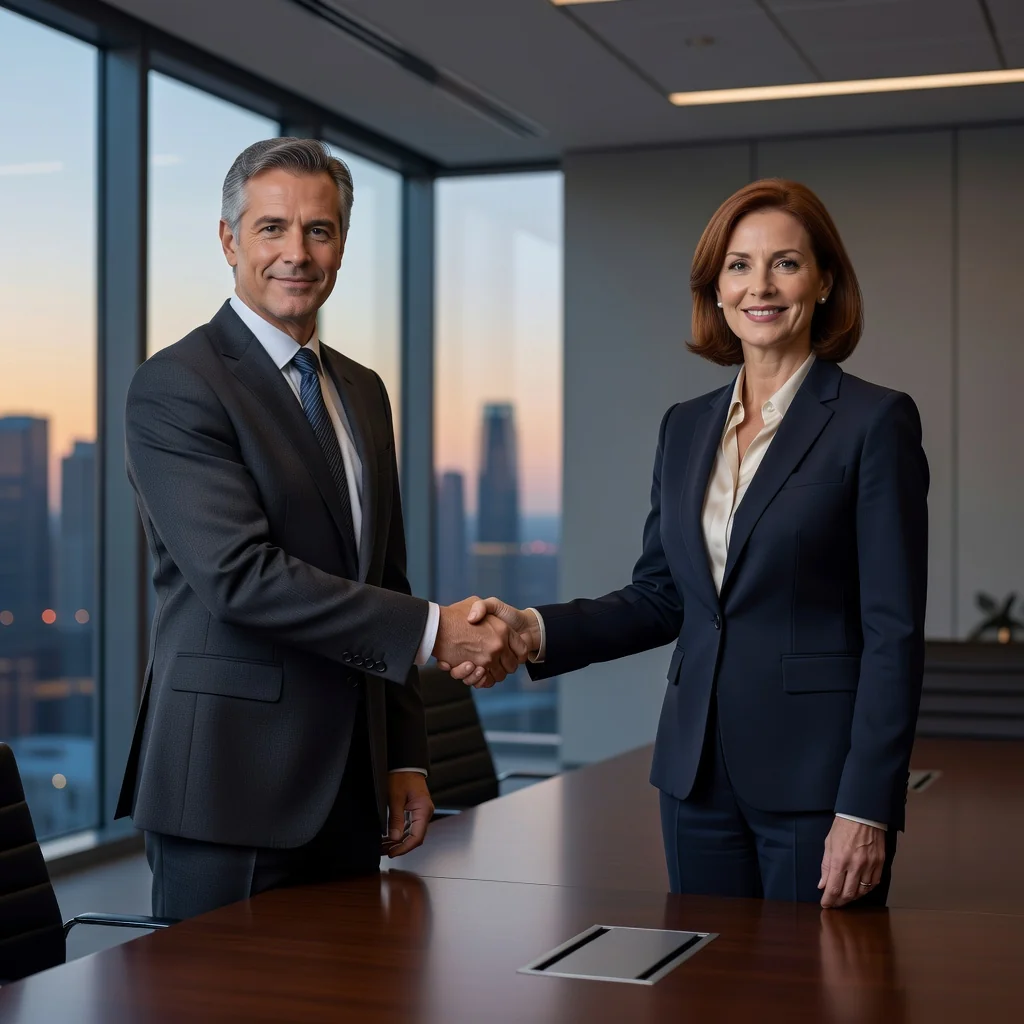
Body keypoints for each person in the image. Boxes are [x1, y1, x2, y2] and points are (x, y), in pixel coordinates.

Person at [442, 179, 929, 908]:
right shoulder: (685, 427)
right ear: (716, 287)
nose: (759, 285)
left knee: (818, 994)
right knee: (705, 993)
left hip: (817, 783)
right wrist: (533, 629)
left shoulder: (873, 422)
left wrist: (867, 805)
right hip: (694, 775)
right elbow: (662, 595)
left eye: (785, 264)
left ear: (825, 282)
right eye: (738, 265)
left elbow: (894, 633)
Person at [116, 138, 524, 919]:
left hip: (350, 785)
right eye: (272, 229)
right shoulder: (176, 384)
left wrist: (405, 755)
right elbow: (241, 577)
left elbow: (385, 581)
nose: (296, 254)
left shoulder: (362, 392)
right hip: (227, 787)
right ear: (230, 240)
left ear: (341, 244)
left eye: (319, 231)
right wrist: (440, 633)